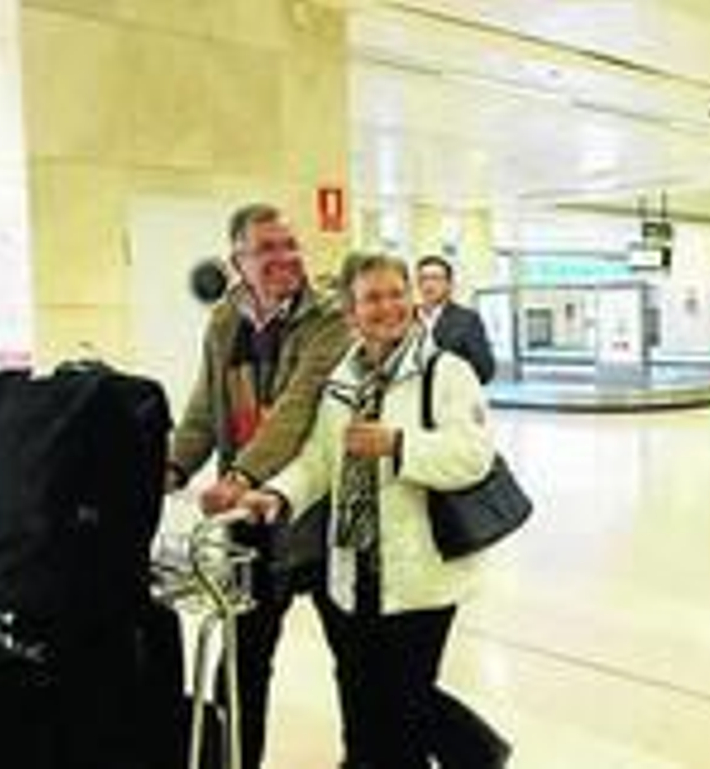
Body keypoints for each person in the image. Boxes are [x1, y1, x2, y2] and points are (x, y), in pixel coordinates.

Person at [239, 254, 510, 768]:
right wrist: (277, 494)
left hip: (418, 580)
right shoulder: (345, 375)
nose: (386, 307)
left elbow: (473, 456)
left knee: (403, 714)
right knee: (362, 706)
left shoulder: (445, 372)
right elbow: (321, 458)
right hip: (351, 572)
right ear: (351, 312)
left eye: (394, 293)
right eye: (371, 298)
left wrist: (398, 445)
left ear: (411, 299)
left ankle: (474, 753)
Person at [165, 202, 353, 769]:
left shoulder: (329, 319)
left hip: (323, 518)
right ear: (238, 260)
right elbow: (204, 409)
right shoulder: (226, 321)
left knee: (362, 662)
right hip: (252, 527)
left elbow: (296, 411)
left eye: (290, 245)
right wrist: (171, 468)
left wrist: (241, 475)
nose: (284, 258)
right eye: (267, 248)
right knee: (241, 663)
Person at [416, 255, 497, 384]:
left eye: (436, 278)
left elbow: (485, 371)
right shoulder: (407, 318)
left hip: (451, 398)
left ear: (449, 284)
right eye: (423, 278)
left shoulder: (467, 320)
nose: (429, 284)